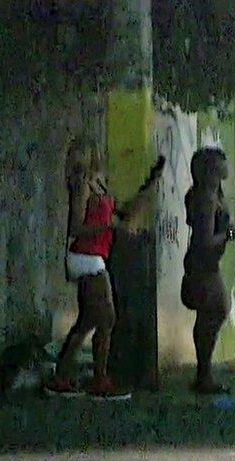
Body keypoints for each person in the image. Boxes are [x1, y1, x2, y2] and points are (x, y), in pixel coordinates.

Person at [44, 139, 160, 400]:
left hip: (96, 256)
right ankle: (96, 378)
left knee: (89, 321)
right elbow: (76, 227)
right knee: (106, 318)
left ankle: (69, 375)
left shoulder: (99, 184)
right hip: (86, 257)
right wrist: (109, 228)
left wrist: (147, 188)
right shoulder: (83, 186)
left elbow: (122, 213)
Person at [181, 148, 235, 394]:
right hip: (203, 263)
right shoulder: (206, 199)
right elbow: (205, 239)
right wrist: (231, 234)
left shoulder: (210, 194)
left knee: (210, 314)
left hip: (204, 263)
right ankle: (203, 372)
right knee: (216, 310)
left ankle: (203, 372)